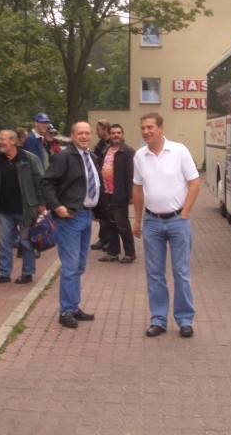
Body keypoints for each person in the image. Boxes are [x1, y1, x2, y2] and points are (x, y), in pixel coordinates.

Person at [132, 112, 200, 338]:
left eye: (150, 127)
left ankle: (185, 320)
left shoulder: (179, 151)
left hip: (177, 221)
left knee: (181, 272)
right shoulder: (139, 156)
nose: (146, 131)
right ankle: (158, 320)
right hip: (152, 222)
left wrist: (184, 214)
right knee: (154, 274)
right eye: (143, 128)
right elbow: (137, 189)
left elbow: (194, 183)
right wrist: (137, 220)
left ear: (161, 128)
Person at [40, 121, 100, 328]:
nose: (84, 136)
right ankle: (65, 310)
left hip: (87, 216)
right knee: (71, 265)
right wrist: (57, 207)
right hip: (70, 218)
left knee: (79, 265)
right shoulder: (63, 157)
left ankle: (73, 306)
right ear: (72, 135)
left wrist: (99, 212)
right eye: (80, 133)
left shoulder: (92, 157)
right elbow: (46, 183)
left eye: (87, 133)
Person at [0, 129, 45, 285]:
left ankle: (27, 272)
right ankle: (4, 273)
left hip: (26, 208)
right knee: (3, 243)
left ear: (13, 141)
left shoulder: (29, 159)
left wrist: (41, 203)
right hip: (3, 210)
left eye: (2, 139)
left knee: (26, 242)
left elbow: (40, 182)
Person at [97, 124, 137, 264]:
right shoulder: (106, 150)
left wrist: (130, 195)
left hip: (119, 194)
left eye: (119, 132)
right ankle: (113, 253)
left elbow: (130, 174)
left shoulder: (128, 151)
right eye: (113, 133)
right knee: (109, 224)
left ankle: (130, 253)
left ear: (122, 134)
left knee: (122, 224)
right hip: (106, 193)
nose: (116, 135)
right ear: (110, 134)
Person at [90, 119, 114, 251]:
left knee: (110, 213)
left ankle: (110, 240)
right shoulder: (99, 146)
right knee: (102, 211)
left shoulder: (113, 145)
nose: (96, 132)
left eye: (98, 129)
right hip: (101, 183)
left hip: (110, 185)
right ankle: (103, 238)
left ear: (105, 129)